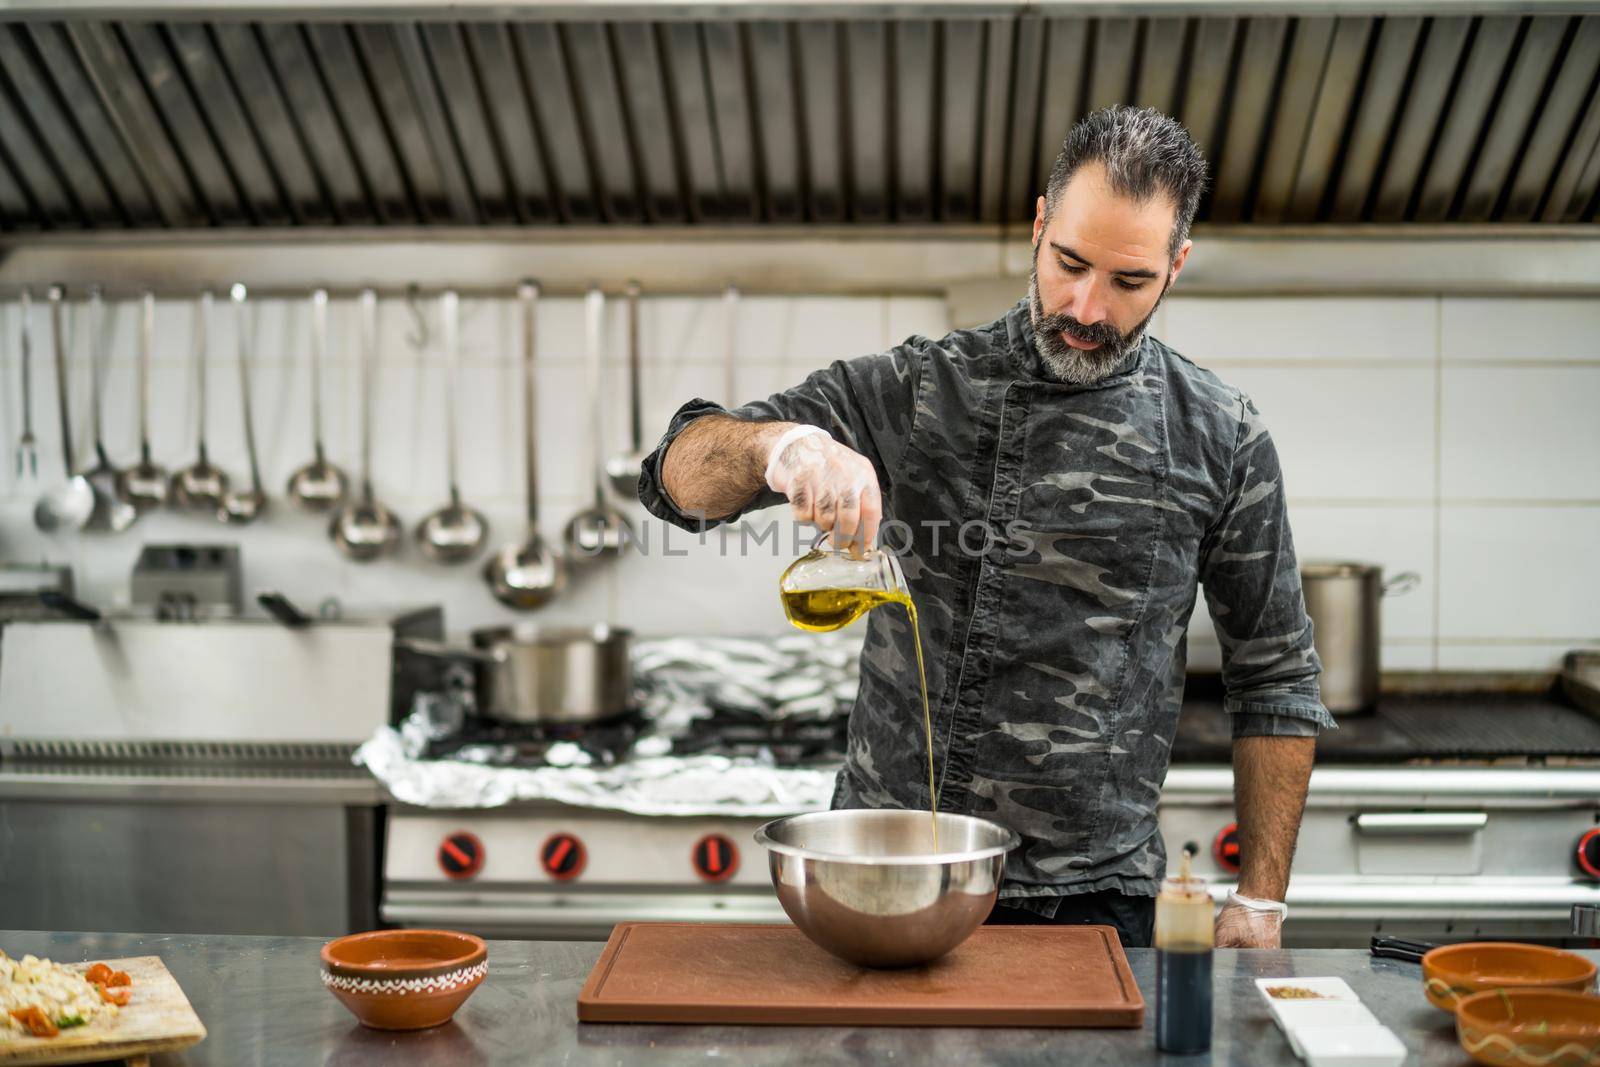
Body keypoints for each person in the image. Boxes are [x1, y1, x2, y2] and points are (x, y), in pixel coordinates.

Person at [637, 105, 1331, 950]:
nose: (1086, 307)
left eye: (1129, 281)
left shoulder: (1220, 436)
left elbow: (1276, 675)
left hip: (1095, 899)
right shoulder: (917, 390)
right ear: (1038, 226)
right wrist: (783, 447)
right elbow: (677, 476)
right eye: (1069, 262)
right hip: (885, 876)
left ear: (1176, 266)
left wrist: (1262, 898)